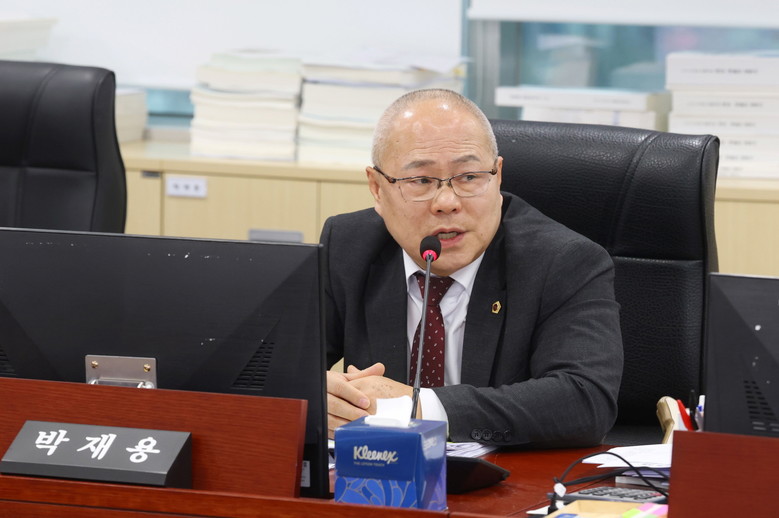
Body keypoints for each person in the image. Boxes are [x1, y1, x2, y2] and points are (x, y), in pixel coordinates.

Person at [321, 89, 623, 447]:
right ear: (376, 188)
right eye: (421, 181)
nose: (447, 202)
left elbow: (585, 400)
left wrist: (416, 407)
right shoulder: (347, 246)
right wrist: (322, 395)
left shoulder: (565, 261)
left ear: (497, 176)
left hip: (509, 475)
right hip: (378, 470)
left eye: (469, 177)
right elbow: (272, 367)